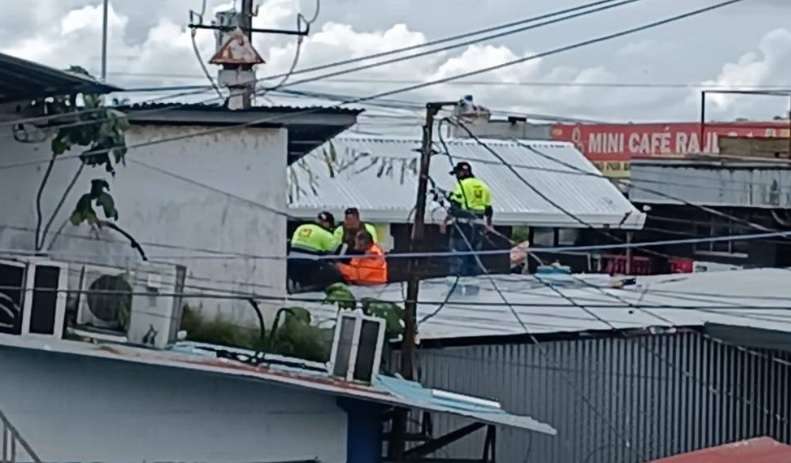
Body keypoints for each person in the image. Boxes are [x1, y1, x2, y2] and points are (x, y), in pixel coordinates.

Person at [446, 161, 493, 276]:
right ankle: (472, 287)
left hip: (463, 228)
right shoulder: (483, 186)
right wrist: (489, 225)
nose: (457, 176)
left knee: (458, 257)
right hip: (478, 228)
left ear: (462, 173)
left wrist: (446, 220)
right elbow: (488, 210)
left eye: (457, 173)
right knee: (473, 258)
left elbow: (455, 207)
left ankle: (457, 286)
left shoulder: (462, 185)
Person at [287, 211, 343, 292]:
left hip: (291, 264)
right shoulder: (325, 233)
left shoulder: (301, 227)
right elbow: (334, 252)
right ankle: (315, 289)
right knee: (333, 272)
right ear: (327, 223)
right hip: (309, 266)